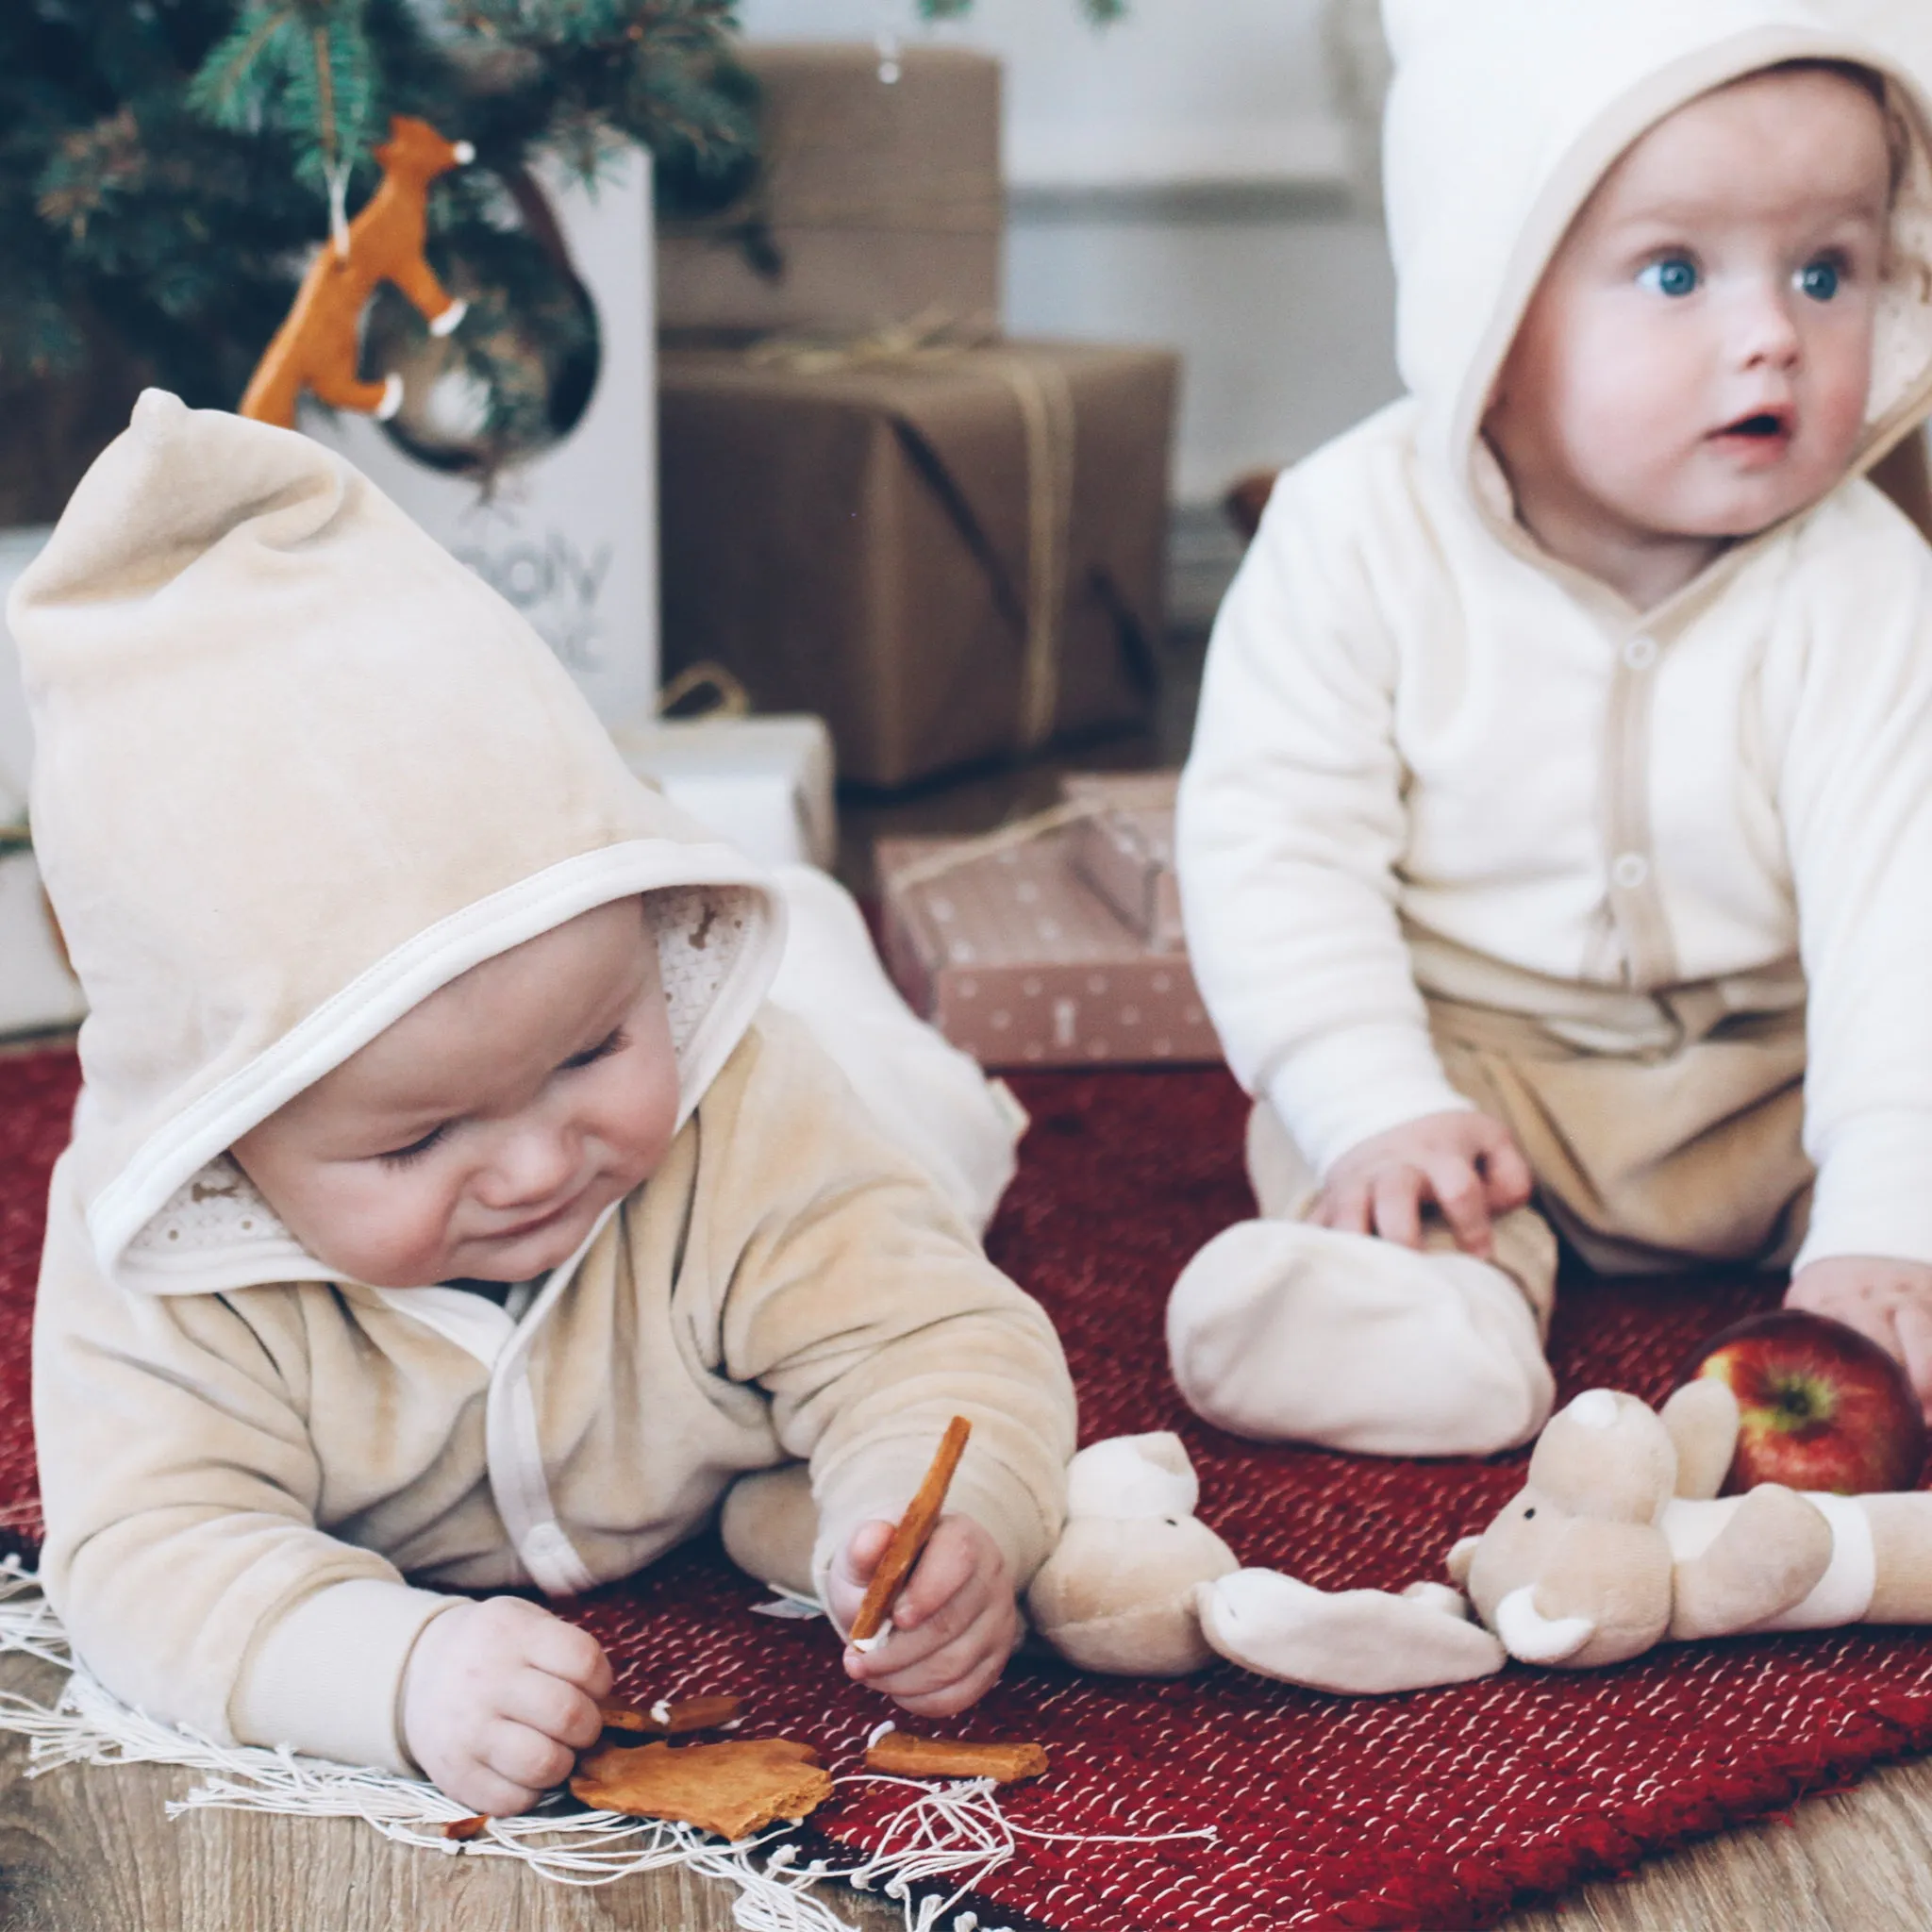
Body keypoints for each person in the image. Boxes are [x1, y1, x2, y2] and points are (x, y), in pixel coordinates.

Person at [14, 391, 1076, 1818]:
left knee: (917, 1145)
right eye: (417, 1138)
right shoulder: (159, 1265)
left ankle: (807, 946)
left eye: (588, 1051)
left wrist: (941, 1520)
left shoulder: (733, 1109)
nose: (533, 1165)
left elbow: (932, 1335)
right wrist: (393, 1670)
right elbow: (149, 1554)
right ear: (224, 1142)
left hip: (828, 1091)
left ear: (652, 946)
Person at [1169, 0, 1932, 1457]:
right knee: (1346, 1150)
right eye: (1674, 271)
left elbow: (1906, 918)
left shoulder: (1865, 580)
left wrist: (1888, 1212)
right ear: (1490, 299)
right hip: (1477, 1066)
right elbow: (1277, 843)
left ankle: (1872, 1283)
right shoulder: (1355, 535)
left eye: (1827, 270)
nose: (1772, 335)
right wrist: (1369, 1094)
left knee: (1915, 1113)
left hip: (1782, 1068)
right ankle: (1427, 1322)